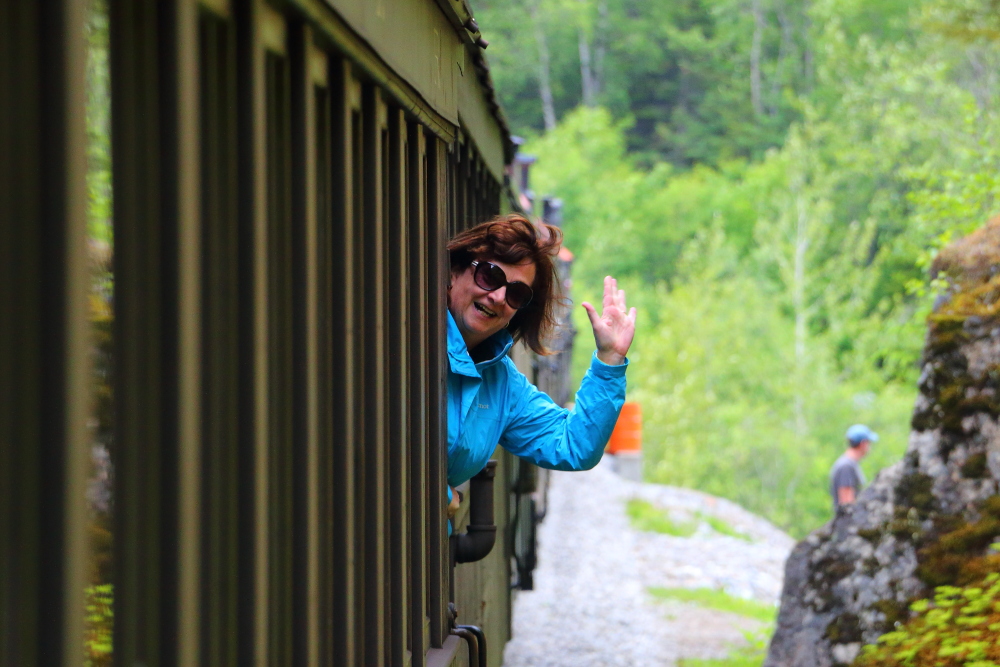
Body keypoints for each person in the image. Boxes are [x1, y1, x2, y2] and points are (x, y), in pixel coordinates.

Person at [445, 214, 636, 508]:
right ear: (455, 272)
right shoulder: (410, 340)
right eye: (489, 276)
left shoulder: (501, 383)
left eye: (516, 293)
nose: (497, 296)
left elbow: (574, 445)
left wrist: (609, 360)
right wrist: (441, 497)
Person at [829, 424, 878, 511]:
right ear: (863, 443)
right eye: (869, 443)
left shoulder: (850, 464)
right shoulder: (846, 466)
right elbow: (847, 503)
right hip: (847, 523)